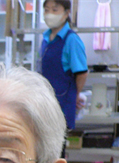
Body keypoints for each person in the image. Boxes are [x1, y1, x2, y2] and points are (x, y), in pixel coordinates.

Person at [39, 0, 88, 131]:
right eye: (46, 10)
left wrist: (75, 95)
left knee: (58, 145)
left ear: (66, 13)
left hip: (63, 101)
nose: (49, 14)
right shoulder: (46, 37)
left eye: (55, 10)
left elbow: (82, 72)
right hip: (46, 101)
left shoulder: (71, 39)